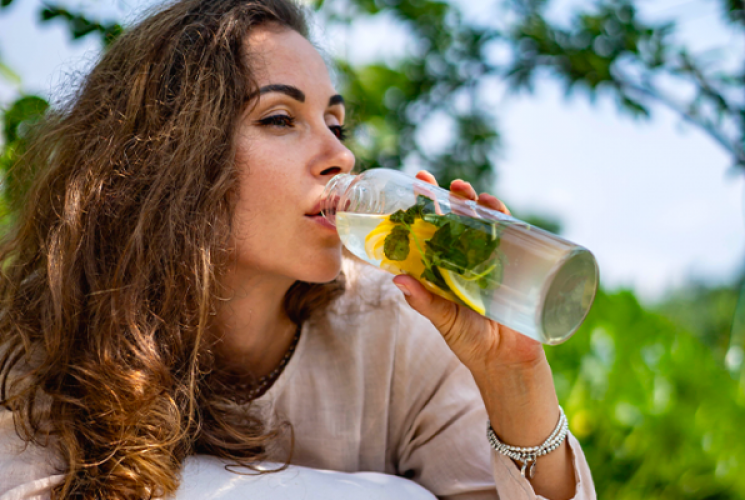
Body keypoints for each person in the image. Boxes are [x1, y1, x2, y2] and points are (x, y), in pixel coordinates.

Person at [0, 0, 596, 499]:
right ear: (170, 159)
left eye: (335, 124)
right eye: (282, 118)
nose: (342, 157)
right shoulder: (43, 338)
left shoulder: (395, 326)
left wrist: (513, 377)